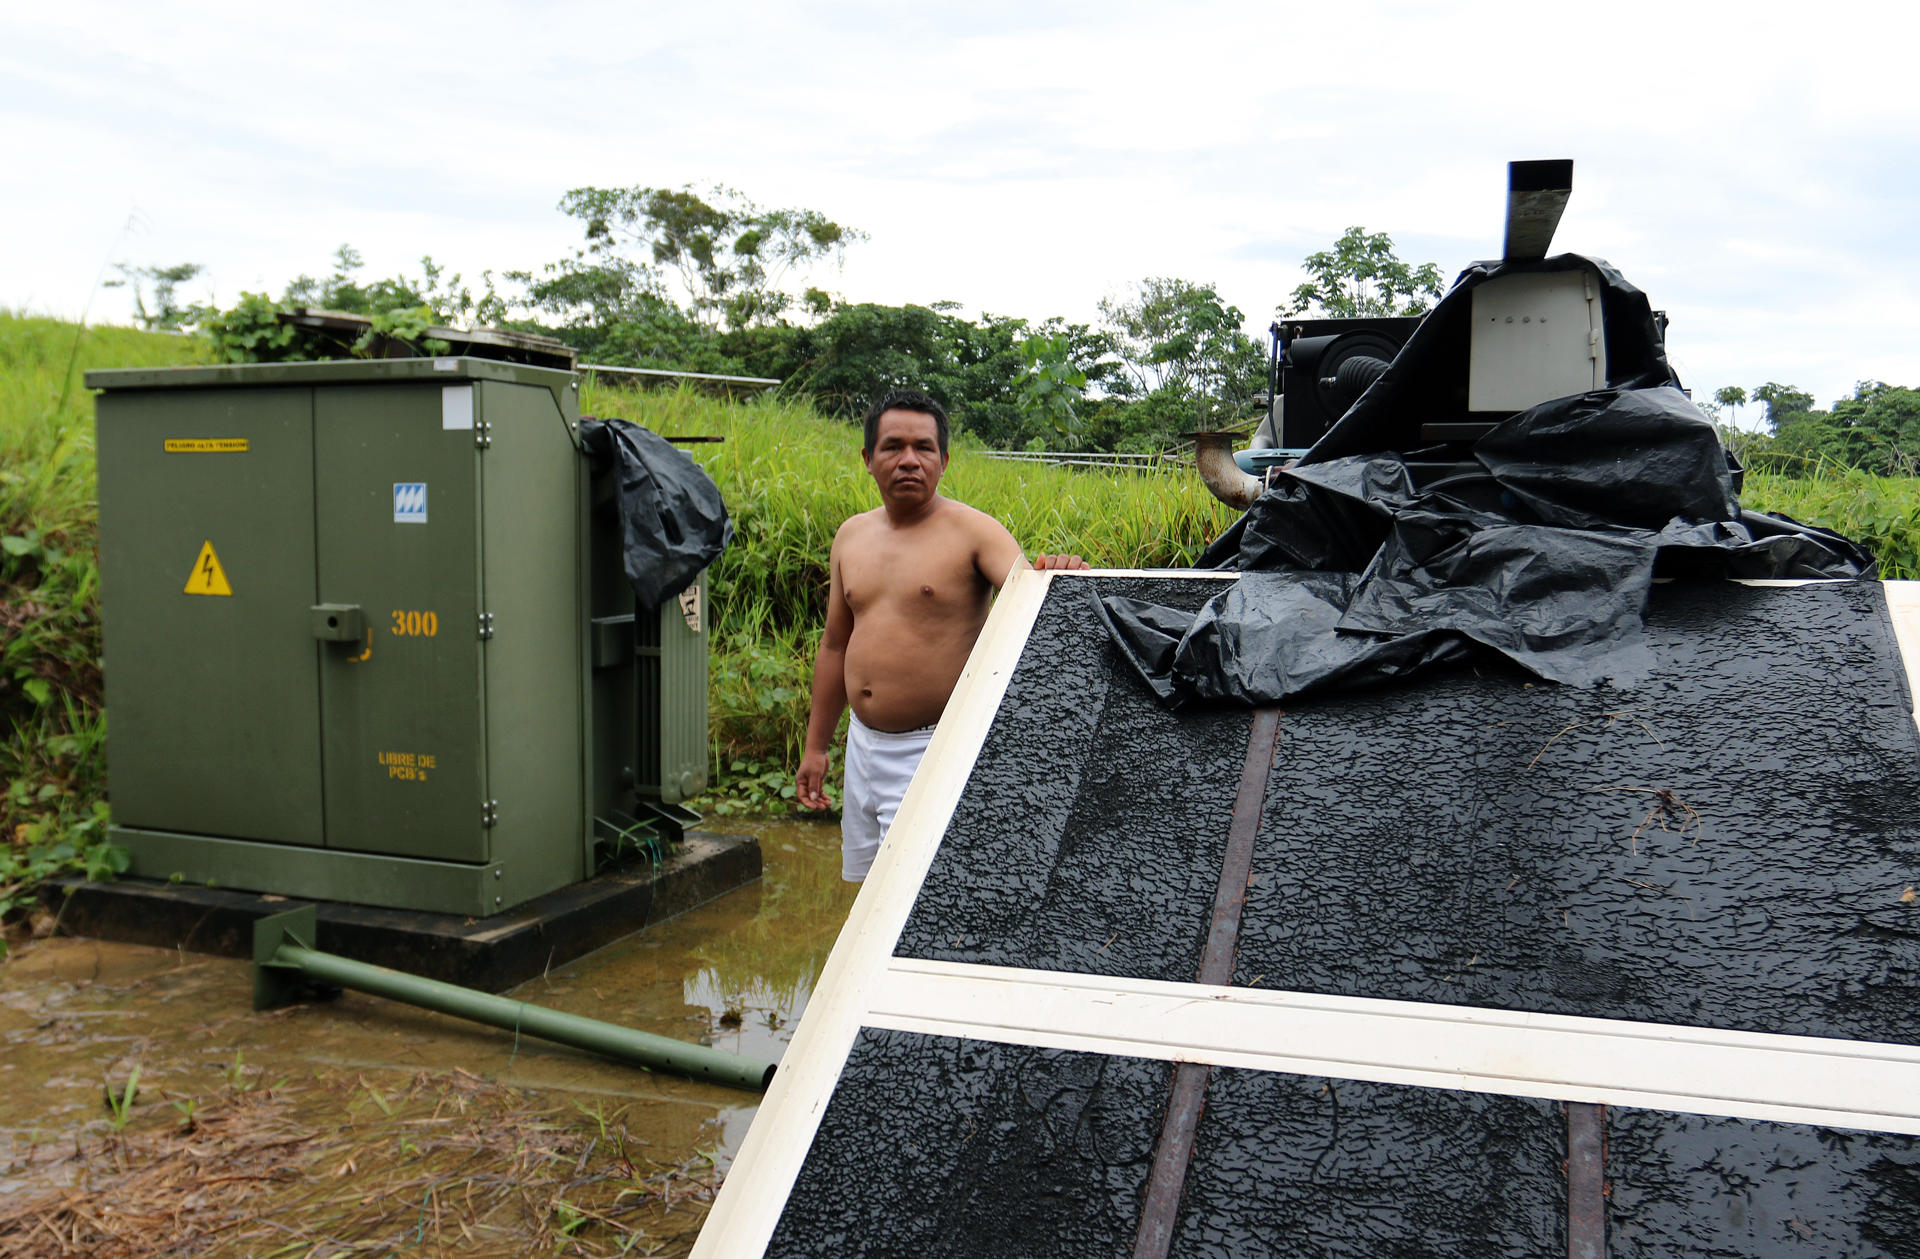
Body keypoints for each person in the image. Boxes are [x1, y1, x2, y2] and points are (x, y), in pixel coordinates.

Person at [795, 389, 1088, 881]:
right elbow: (835, 645)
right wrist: (817, 747)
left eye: (923, 448)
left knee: (911, 899)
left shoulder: (976, 533)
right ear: (868, 459)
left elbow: (1029, 599)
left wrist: (1057, 575)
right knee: (867, 896)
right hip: (863, 749)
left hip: (933, 751)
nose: (908, 460)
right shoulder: (851, 536)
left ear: (944, 459)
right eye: (893, 446)